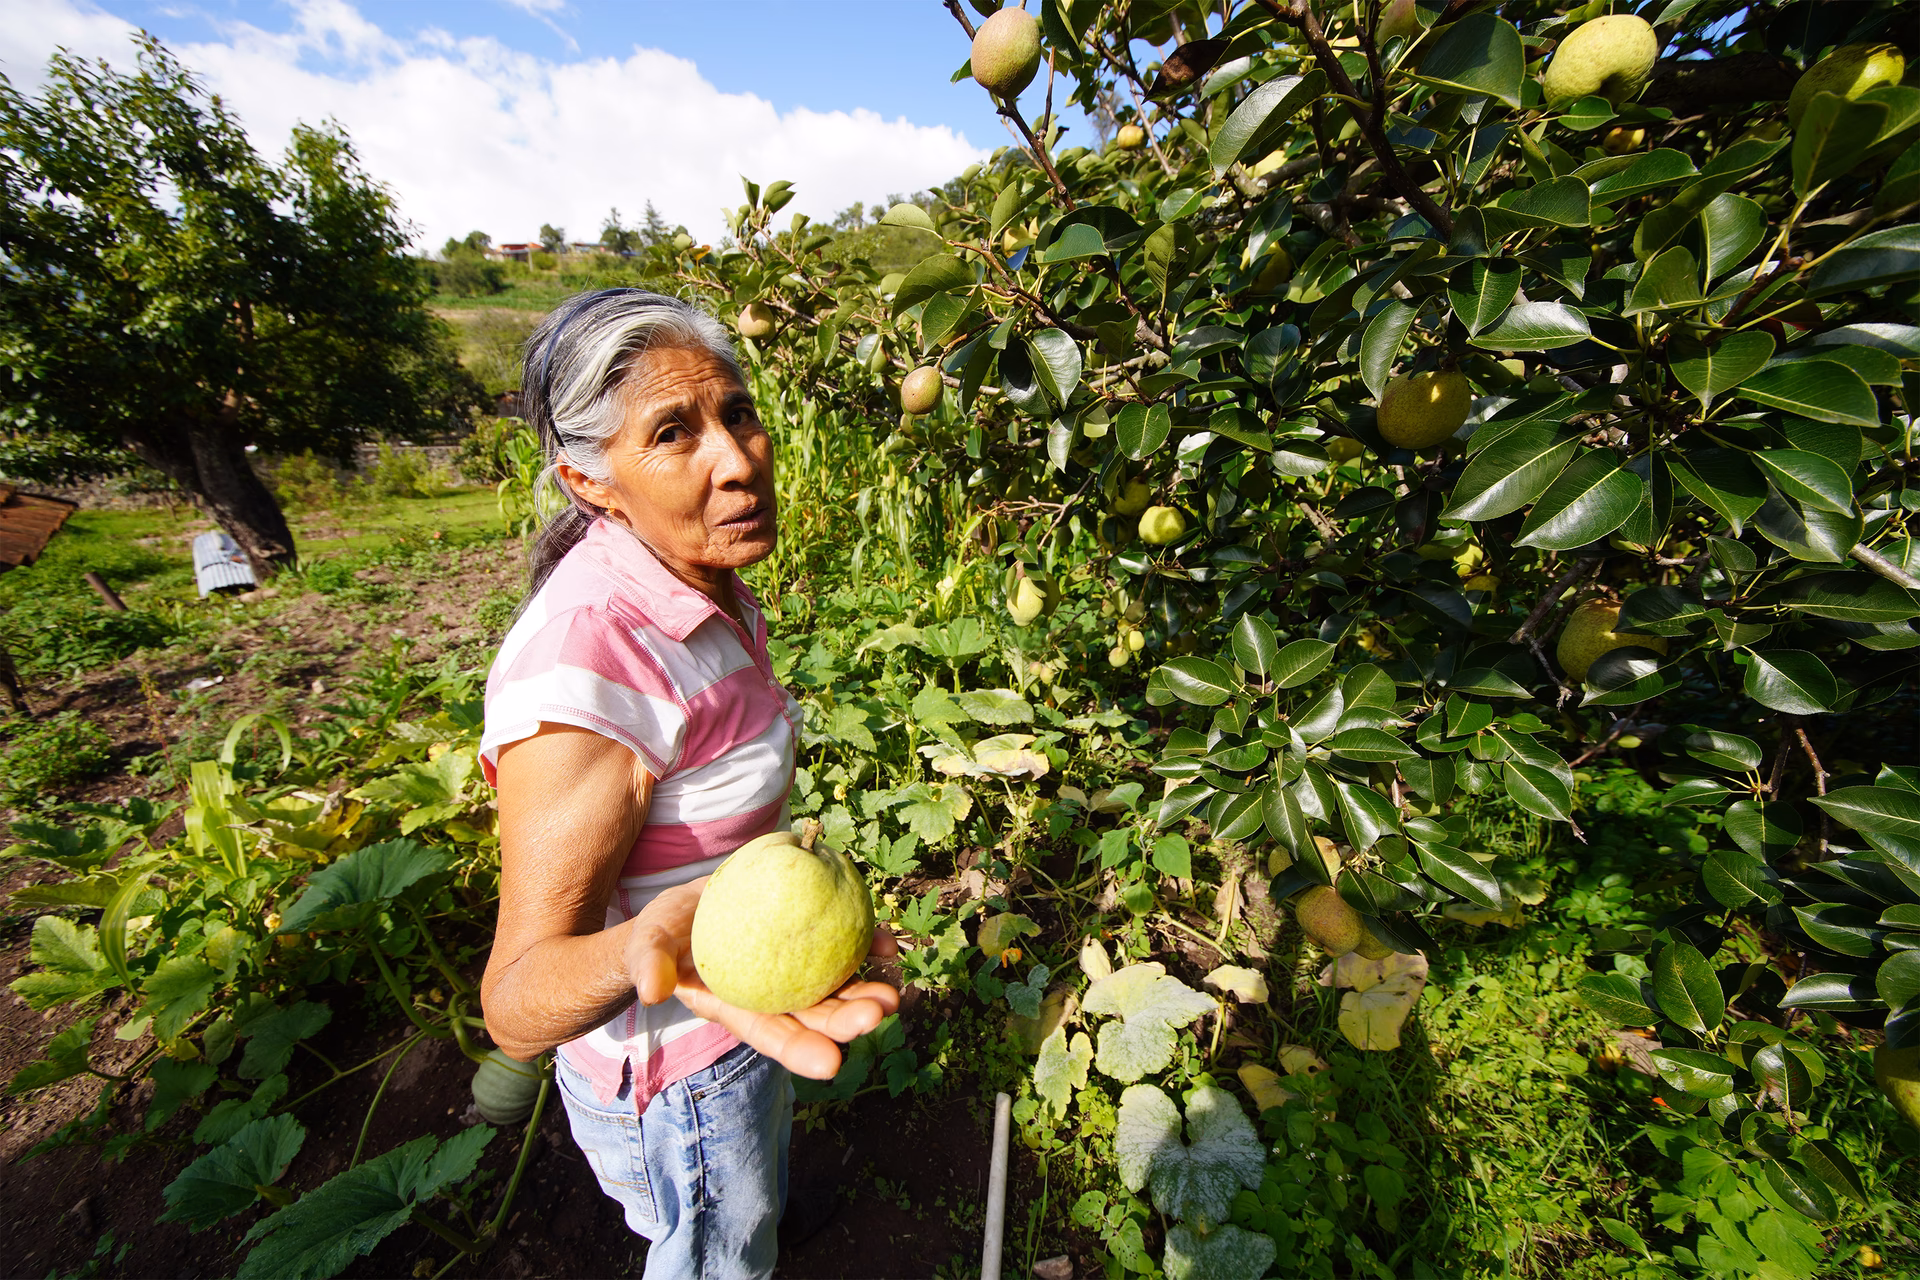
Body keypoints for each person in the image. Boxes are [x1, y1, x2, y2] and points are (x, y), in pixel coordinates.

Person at [478, 289, 899, 1278]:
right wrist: (651, 944)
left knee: (757, 1210)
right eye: (674, 432)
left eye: (737, 412)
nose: (737, 458)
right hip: (682, 1083)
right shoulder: (589, 664)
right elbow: (515, 1001)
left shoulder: (696, 581)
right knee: (717, 1253)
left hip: (747, 1018)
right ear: (593, 481)